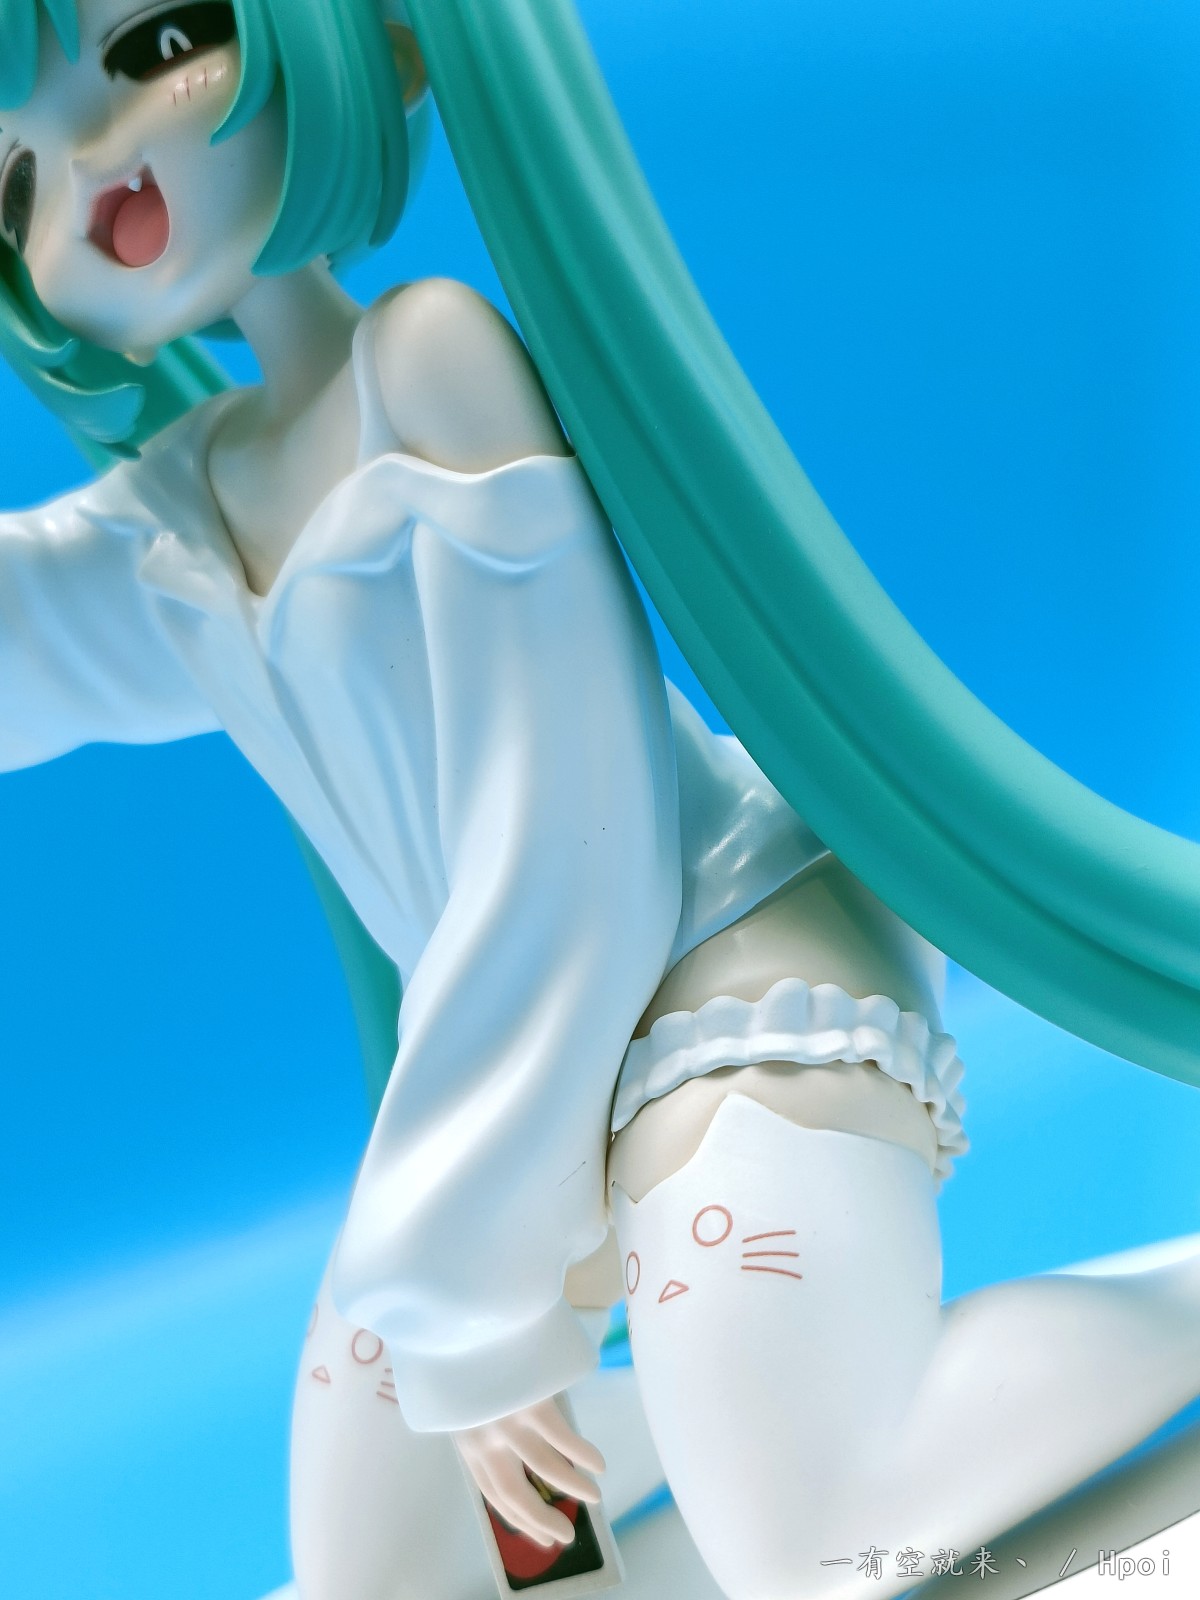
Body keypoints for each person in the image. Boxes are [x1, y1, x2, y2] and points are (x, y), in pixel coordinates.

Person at [1, 3, 1197, 1597]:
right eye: (14, 174)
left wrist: (470, 1289)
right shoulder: (186, 502)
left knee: (810, 1539)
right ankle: (715, 1411)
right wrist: (466, 1287)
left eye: (156, 46)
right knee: (371, 1574)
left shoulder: (425, 364)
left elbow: (565, 853)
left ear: (368, 42)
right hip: (505, 1077)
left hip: (712, 972)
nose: (89, 167)